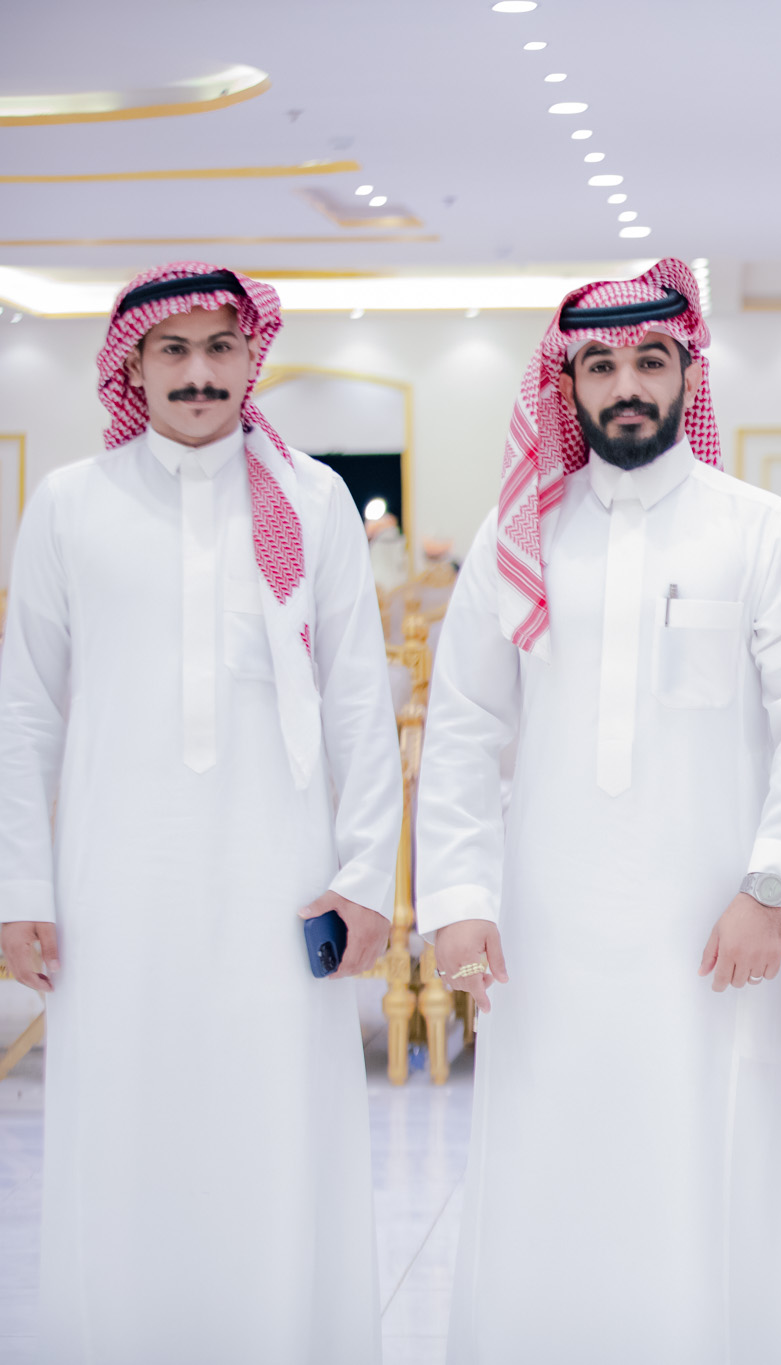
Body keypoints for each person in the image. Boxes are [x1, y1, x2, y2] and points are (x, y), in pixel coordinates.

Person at [414, 258, 781, 1363]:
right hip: (543, 930)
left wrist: (768, 888)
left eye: (651, 360)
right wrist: (457, 898)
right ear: (567, 387)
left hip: (710, 932)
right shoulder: (520, 537)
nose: (627, 386)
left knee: (704, 1164)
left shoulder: (759, 530)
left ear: (690, 372)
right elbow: (462, 724)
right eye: (600, 366)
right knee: (546, 1161)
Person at [0, 262, 401, 1363]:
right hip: (112, 887)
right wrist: (20, 887)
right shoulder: (69, 503)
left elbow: (358, 701)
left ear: (250, 357)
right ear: (132, 365)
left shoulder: (311, 500)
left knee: (273, 1128)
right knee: (125, 1127)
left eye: (220, 348)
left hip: (281, 883)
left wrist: (367, 875)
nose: (198, 373)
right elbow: (24, 712)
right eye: (172, 351)